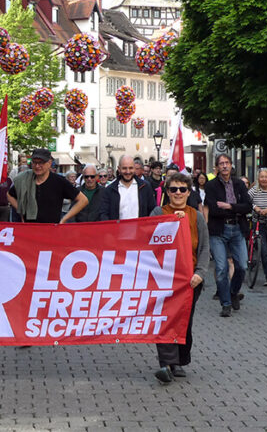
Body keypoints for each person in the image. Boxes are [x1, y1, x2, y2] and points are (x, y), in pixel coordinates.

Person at [150, 173, 208, 384]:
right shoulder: (158, 212)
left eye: (182, 189)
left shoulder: (196, 216)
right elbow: (150, 240)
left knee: (184, 320)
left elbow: (204, 247)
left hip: (189, 279)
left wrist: (200, 273)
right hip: (164, 278)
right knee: (165, 319)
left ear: (188, 192)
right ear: (167, 192)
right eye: (173, 189)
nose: (178, 193)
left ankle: (180, 360)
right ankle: (166, 363)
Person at [203, 153, 252, 317]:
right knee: (222, 268)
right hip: (218, 230)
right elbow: (214, 209)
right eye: (221, 163)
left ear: (231, 165)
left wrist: (230, 207)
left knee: (242, 266)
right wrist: (235, 208)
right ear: (217, 167)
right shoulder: (211, 186)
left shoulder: (239, 184)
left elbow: (248, 206)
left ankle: (233, 292)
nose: (224, 166)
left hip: (237, 229)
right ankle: (225, 303)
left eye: (227, 163)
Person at [7, 148, 88, 224]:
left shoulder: (59, 181)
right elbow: (9, 195)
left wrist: (64, 219)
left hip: (51, 231)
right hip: (29, 230)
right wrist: (21, 211)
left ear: (49, 163)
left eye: (41, 163)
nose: (37, 166)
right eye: (34, 162)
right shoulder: (24, 179)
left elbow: (83, 200)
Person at [97, 155, 157, 221]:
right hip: (117, 230)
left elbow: (152, 211)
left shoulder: (145, 187)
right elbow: (104, 214)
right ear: (119, 169)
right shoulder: (110, 190)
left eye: (130, 168)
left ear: (134, 168)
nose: (128, 172)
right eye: (124, 168)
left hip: (140, 230)